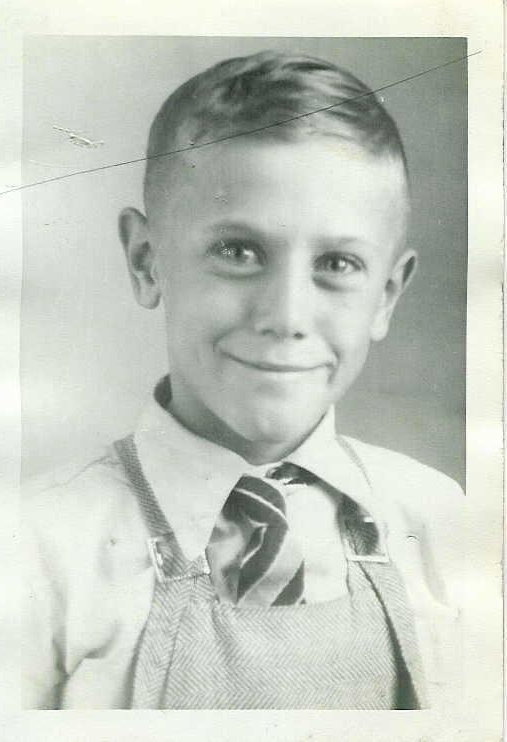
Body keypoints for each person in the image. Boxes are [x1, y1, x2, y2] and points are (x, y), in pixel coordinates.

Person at [23, 50, 464, 710]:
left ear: (387, 296)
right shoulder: (35, 549)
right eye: (238, 251)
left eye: (338, 263)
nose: (286, 316)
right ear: (146, 261)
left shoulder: (439, 521)